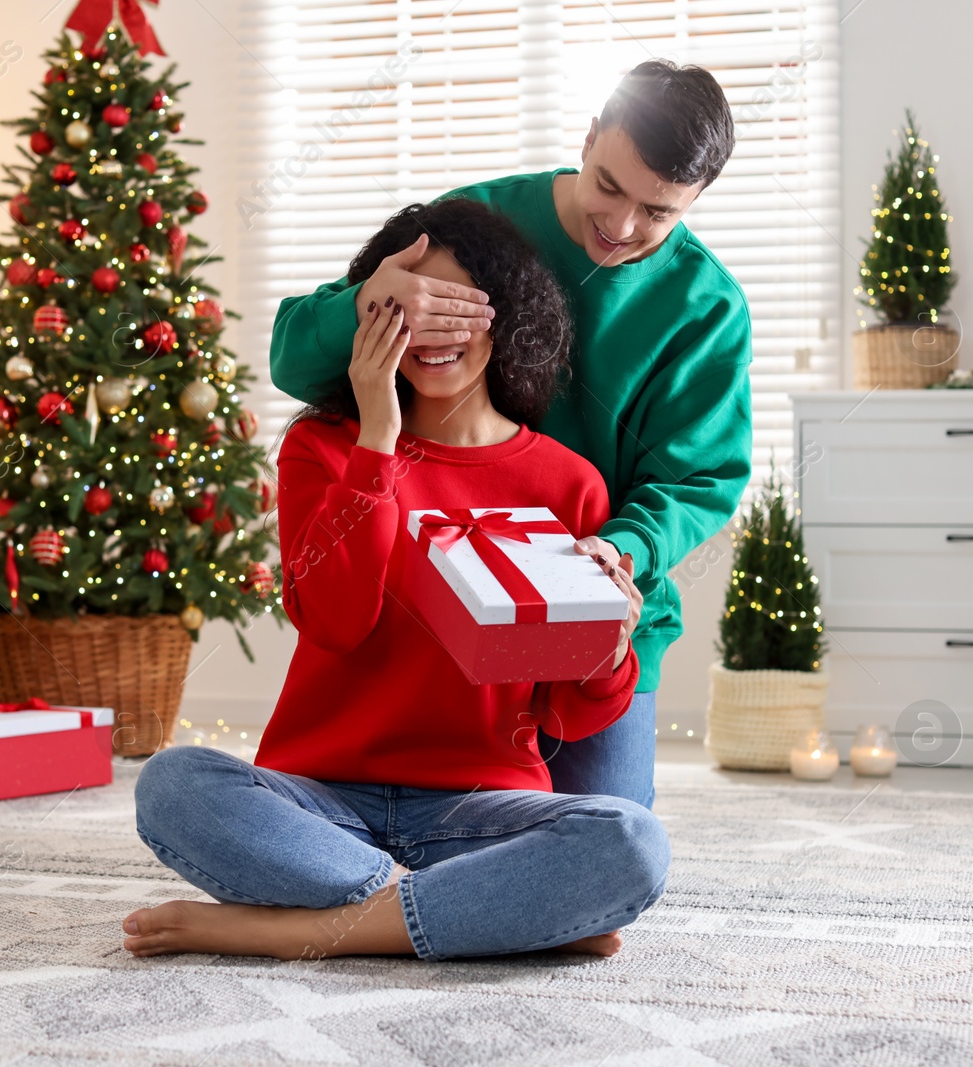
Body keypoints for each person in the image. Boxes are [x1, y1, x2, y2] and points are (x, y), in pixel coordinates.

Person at [125, 199, 669, 963]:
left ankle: (304, 931)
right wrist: (377, 441)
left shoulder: (567, 483)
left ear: (506, 319)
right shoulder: (322, 449)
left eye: (458, 311)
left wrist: (610, 649)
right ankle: (472, 914)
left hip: (480, 809)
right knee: (173, 783)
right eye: (410, 311)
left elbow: (568, 713)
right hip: (320, 801)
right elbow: (334, 621)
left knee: (631, 840)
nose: (432, 336)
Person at [268, 60, 755, 810]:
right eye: (609, 186)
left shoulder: (708, 309)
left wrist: (614, 557)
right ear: (589, 138)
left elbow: (698, 482)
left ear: (695, 199)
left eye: (657, 212)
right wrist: (367, 301)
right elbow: (295, 360)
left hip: (590, 605)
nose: (620, 227)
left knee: (606, 834)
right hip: (432, 590)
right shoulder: (478, 222)